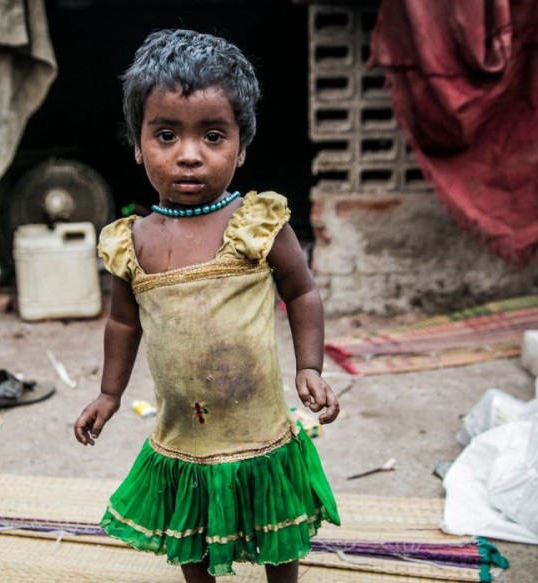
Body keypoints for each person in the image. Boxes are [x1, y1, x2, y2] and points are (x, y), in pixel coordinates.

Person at [73, 28, 341, 582]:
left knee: (275, 526)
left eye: (213, 136)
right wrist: (108, 393)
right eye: (166, 135)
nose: (189, 156)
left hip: (256, 423)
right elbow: (123, 322)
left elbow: (302, 292)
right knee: (190, 531)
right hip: (184, 432)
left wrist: (309, 367)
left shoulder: (257, 222)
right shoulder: (132, 240)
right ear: (137, 143)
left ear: (242, 148)